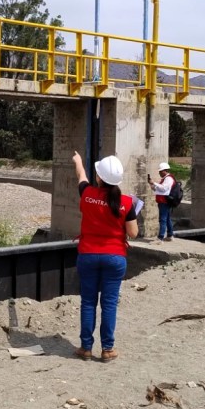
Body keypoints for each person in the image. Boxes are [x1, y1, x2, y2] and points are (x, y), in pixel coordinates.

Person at [71, 150, 139, 362]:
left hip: (88, 255)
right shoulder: (126, 202)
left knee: (88, 301)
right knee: (109, 303)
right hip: (115, 257)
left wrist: (78, 161)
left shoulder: (87, 194)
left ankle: (86, 348)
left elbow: (81, 177)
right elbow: (133, 233)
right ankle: (107, 349)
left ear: (99, 177)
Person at [147, 161, 176, 241]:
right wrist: (151, 184)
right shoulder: (165, 179)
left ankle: (160, 238)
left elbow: (164, 188)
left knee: (162, 219)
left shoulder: (169, 179)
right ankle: (170, 235)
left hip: (164, 202)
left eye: (160, 171)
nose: (159, 173)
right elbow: (158, 189)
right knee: (167, 218)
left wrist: (154, 183)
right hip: (163, 201)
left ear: (165, 170)